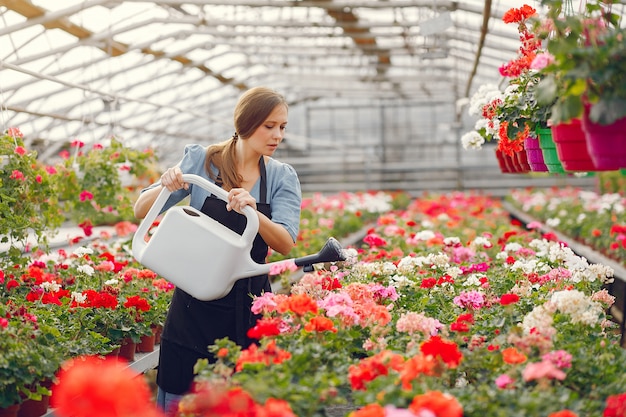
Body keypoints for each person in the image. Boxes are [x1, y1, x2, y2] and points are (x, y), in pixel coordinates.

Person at [134, 86, 302, 414]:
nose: (277, 136)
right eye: (269, 126)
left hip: (250, 307)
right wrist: (166, 184)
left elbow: (285, 242)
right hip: (194, 305)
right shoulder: (202, 161)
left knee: (242, 400)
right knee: (184, 396)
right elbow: (141, 209)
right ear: (245, 123)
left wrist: (253, 212)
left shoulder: (281, 177)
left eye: (282, 127)